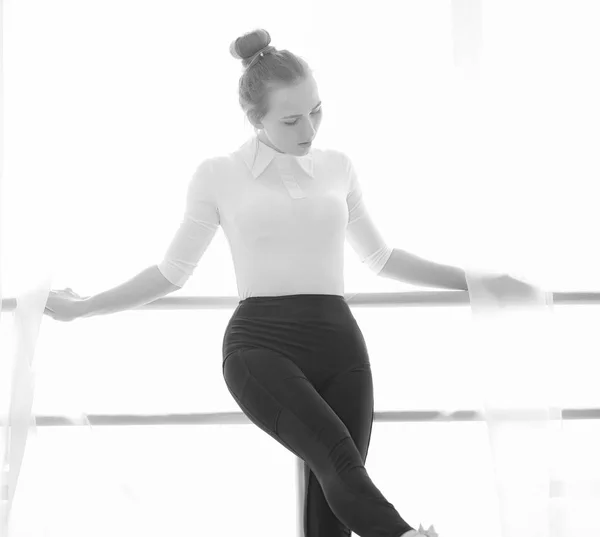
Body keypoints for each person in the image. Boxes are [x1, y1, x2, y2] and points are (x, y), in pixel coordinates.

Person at [44, 28, 541, 537]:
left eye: (316, 110)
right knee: (337, 459)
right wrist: (84, 308)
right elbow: (171, 273)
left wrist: (480, 284)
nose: (309, 128)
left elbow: (382, 257)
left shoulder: (338, 167)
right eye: (291, 118)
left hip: (340, 344)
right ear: (254, 118)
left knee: (333, 507)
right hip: (260, 345)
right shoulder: (218, 174)